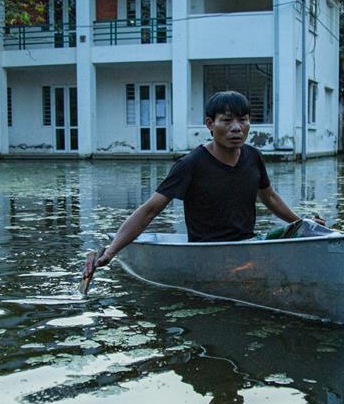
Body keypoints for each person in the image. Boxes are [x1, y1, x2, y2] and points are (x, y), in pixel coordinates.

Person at [81, 91, 322, 282]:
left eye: (243, 120)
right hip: (207, 253)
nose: (236, 128)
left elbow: (269, 197)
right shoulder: (190, 164)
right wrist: (111, 252)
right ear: (210, 123)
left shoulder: (253, 156)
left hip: (247, 247)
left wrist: (300, 224)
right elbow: (149, 210)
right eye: (227, 121)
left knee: (309, 233)